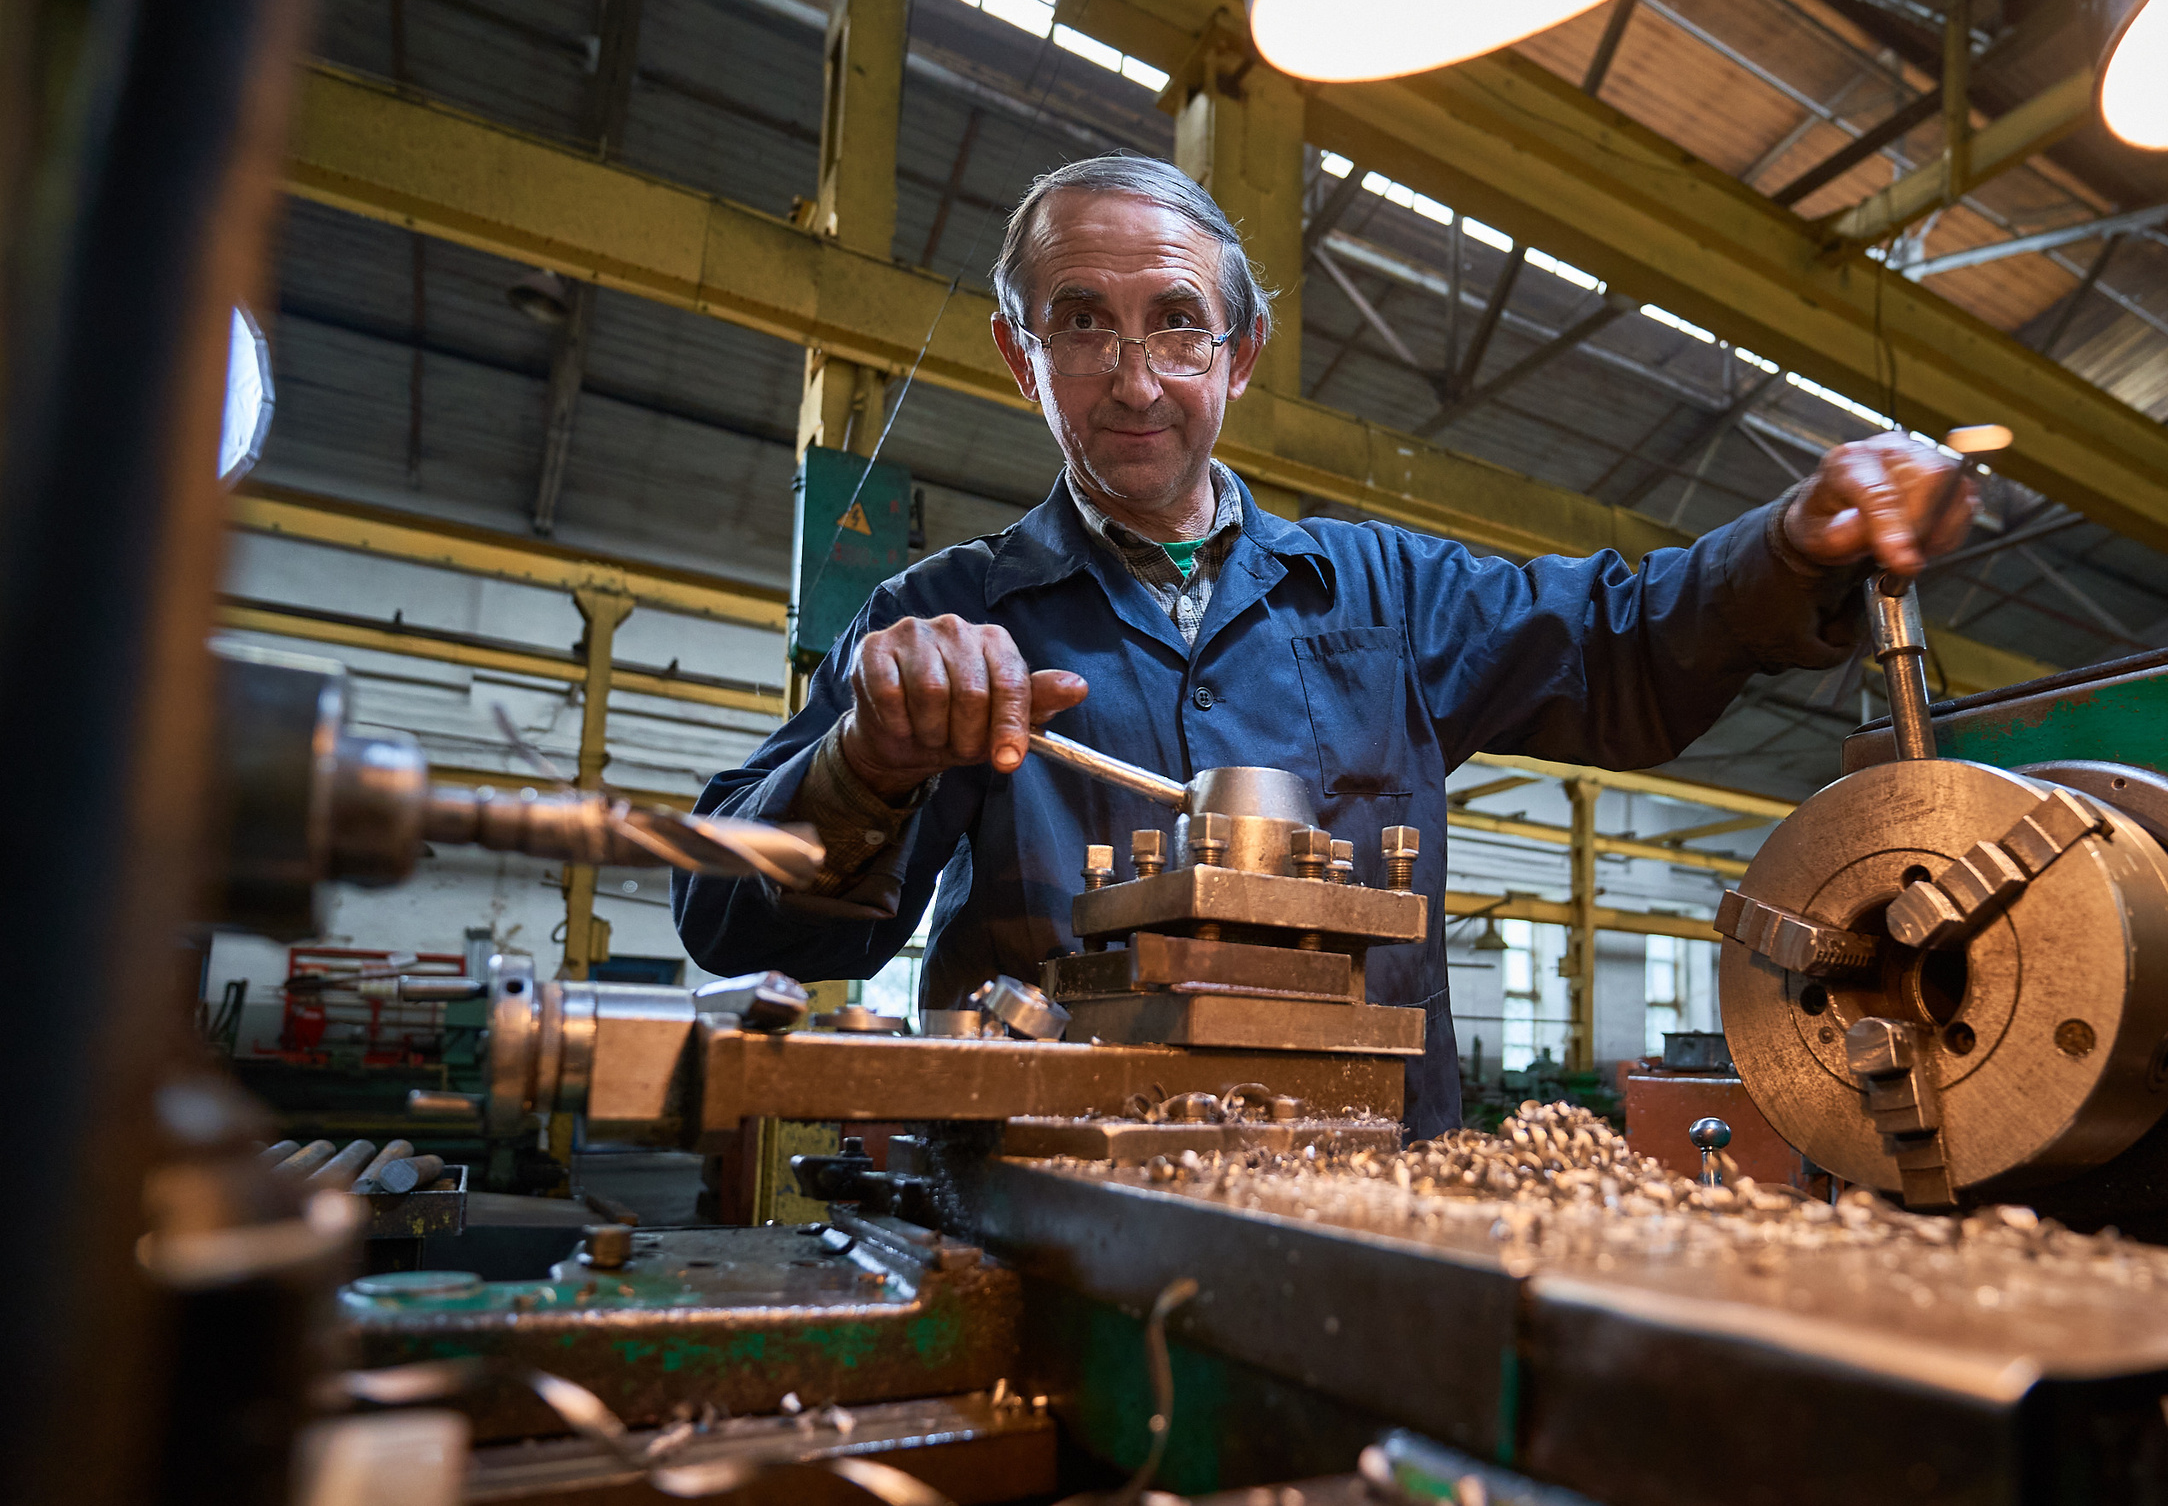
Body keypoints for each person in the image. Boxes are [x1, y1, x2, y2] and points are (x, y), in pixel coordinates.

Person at [674, 154, 1972, 1138]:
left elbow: (1627, 644)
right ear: (1022, 356)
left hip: (1373, 1204)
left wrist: (1795, 545)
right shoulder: (940, 625)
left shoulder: (1388, 595)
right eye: (1082, 321)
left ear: (1243, 355)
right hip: (1054, 1201)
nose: (1134, 378)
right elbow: (731, 920)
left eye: (1177, 322)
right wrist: (865, 761)